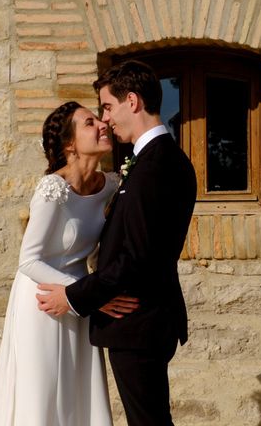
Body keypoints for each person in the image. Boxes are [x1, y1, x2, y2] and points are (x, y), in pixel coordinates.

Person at [37, 60, 197, 425]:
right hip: (140, 319)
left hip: (138, 318)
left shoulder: (156, 166)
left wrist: (74, 296)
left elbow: (136, 257)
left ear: (133, 101)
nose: (105, 119)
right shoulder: (151, 161)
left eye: (108, 107)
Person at [0, 101, 138, 425]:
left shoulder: (109, 185)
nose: (102, 125)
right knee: (42, 394)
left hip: (80, 302)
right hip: (42, 301)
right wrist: (90, 295)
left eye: (99, 119)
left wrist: (94, 294)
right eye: (89, 123)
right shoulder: (52, 189)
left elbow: (98, 250)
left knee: (78, 395)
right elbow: (29, 261)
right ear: (69, 144)